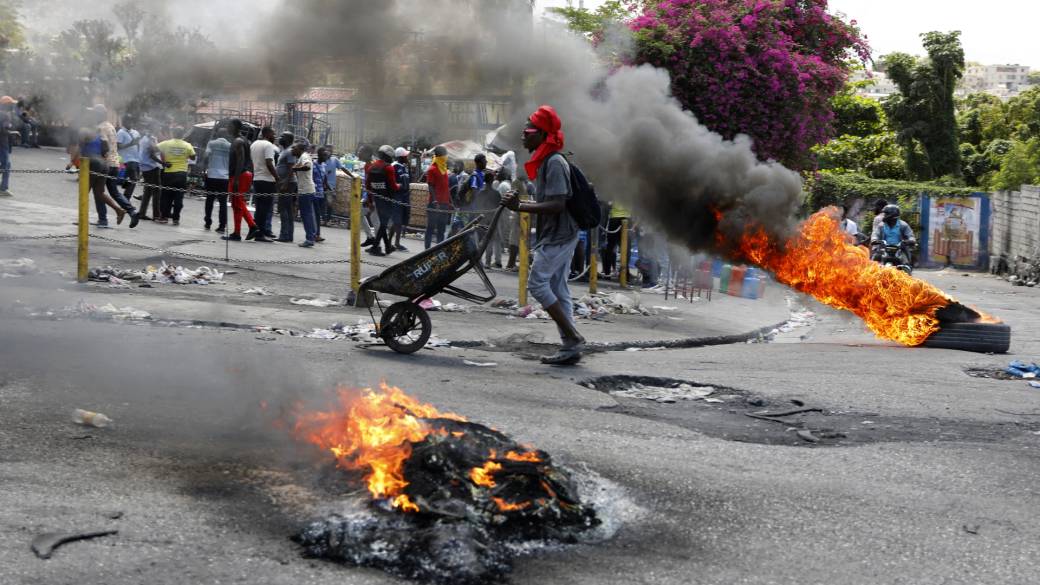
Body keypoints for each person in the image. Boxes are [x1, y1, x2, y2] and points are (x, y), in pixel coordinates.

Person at [501, 105, 585, 366]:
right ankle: (570, 346)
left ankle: (572, 337)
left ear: (543, 134)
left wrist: (521, 206)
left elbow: (558, 204)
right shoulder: (547, 161)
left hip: (560, 234)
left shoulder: (555, 162)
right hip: (555, 233)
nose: (523, 135)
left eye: (528, 131)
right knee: (559, 290)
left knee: (537, 284)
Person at [93, 105, 139, 227]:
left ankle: (103, 219)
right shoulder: (110, 126)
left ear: (99, 115)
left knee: (99, 192)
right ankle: (132, 211)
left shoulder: (101, 128)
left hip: (105, 163)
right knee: (114, 192)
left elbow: (104, 147)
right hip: (115, 163)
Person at [72, 127, 125, 226]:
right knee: (99, 193)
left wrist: (72, 162)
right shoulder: (101, 137)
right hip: (104, 165)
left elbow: (79, 149)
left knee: (84, 192)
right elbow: (105, 152)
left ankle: (82, 219)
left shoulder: (83, 131)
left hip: (93, 164)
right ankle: (119, 210)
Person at [239, 125, 276, 242]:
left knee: (259, 207)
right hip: (267, 180)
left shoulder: (254, 144)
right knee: (264, 208)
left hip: (257, 179)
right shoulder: (269, 145)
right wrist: (277, 178)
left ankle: (255, 230)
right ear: (267, 133)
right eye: (273, 133)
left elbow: (251, 162)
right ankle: (260, 234)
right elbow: (269, 163)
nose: (275, 136)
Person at [157, 126, 195, 226]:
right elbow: (193, 156)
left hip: (169, 173)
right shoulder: (187, 145)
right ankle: (176, 219)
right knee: (179, 197)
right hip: (182, 174)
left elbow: (151, 149)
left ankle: (164, 217)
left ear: (173, 133)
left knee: (166, 196)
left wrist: (163, 163)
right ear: (183, 135)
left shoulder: (166, 143)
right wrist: (184, 154)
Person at [366, 145, 400, 256]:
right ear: (388, 156)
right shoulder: (388, 168)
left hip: (377, 199)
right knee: (384, 224)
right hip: (387, 199)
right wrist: (401, 185)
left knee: (383, 224)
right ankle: (375, 247)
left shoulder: (372, 167)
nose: (392, 159)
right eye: (391, 157)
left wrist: (370, 201)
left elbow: (368, 186)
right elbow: (393, 186)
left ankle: (388, 247)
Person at [202, 127, 231, 232]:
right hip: (224, 177)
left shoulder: (212, 143)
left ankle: (208, 223)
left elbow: (206, 156)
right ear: (226, 135)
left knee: (209, 200)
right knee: (223, 202)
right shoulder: (230, 146)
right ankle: (222, 226)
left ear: (217, 134)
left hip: (212, 175)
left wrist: (204, 169)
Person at [292, 141, 319, 248]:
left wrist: (295, 168)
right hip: (307, 190)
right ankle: (312, 236)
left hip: (306, 191)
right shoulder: (302, 157)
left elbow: (307, 166)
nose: (292, 149)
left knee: (306, 215)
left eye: (295, 148)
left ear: (300, 149)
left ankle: (310, 239)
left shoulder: (304, 156)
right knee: (308, 215)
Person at [475, 168, 503, 268]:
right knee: (489, 241)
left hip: (482, 219)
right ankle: (487, 262)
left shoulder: (480, 193)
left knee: (480, 240)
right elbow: (499, 207)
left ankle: (478, 261)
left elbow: (477, 207)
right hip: (492, 219)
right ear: (492, 180)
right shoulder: (496, 193)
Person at [425, 145, 451, 249]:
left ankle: (439, 250)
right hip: (435, 204)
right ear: (440, 156)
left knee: (442, 229)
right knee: (430, 228)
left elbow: (446, 187)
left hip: (445, 204)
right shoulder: (432, 169)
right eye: (445, 155)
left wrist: (450, 202)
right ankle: (426, 250)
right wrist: (435, 201)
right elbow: (430, 186)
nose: (446, 157)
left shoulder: (444, 169)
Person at [137, 123, 163, 220]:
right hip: (151, 167)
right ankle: (156, 214)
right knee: (156, 191)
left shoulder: (145, 138)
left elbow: (155, 150)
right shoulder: (148, 140)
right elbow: (153, 155)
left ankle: (142, 213)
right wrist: (163, 163)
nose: (159, 130)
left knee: (148, 191)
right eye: (157, 128)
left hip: (145, 167)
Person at [275, 131, 297, 242]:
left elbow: (291, 168)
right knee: (287, 209)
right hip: (285, 183)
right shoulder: (285, 150)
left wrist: (285, 183)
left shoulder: (289, 151)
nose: (280, 137)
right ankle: (288, 235)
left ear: (288, 139)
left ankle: (284, 235)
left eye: (283, 136)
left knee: (284, 209)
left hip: (287, 184)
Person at [116, 116, 142, 203]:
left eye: (132, 121)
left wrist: (139, 156)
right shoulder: (121, 132)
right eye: (129, 121)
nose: (131, 123)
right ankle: (126, 199)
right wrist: (131, 144)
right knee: (133, 179)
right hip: (126, 159)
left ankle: (124, 189)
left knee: (133, 179)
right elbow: (118, 146)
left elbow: (138, 145)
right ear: (124, 122)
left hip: (135, 159)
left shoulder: (135, 132)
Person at [602, 200, 630, 279]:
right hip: (626, 218)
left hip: (614, 217)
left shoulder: (615, 188)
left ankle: (607, 273)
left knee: (610, 246)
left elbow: (608, 202)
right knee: (625, 247)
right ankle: (625, 274)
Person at [392, 147, 411, 251]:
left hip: (405, 196)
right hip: (397, 196)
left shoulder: (405, 167)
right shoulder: (394, 166)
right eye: (405, 156)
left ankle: (395, 243)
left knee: (401, 220)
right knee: (397, 221)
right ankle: (395, 243)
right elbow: (392, 182)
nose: (407, 157)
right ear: (401, 157)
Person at [322, 145, 344, 225]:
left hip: (331, 186)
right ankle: (322, 219)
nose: (328, 152)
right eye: (327, 150)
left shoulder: (334, 160)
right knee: (322, 203)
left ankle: (327, 220)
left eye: (330, 151)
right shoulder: (322, 160)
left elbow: (342, 168)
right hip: (321, 185)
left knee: (329, 203)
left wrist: (352, 176)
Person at [312, 147, 328, 243]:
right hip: (314, 193)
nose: (326, 157)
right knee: (316, 214)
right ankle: (316, 234)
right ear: (319, 155)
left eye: (326, 155)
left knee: (318, 214)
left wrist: (327, 186)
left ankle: (316, 233)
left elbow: (324, 177)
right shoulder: (313, 165)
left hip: (321, 193)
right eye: (324, 155)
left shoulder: (324, 165)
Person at [0, 96, 15, 197]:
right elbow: (3, 130)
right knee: (6, 165)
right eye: (11, 104)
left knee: (4, 165)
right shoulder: (5, 116)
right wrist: (12, 132)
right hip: (2, 143)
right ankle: (3, 188)